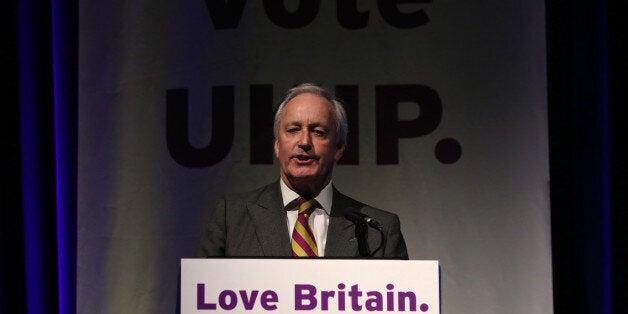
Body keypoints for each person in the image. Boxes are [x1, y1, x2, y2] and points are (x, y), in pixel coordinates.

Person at [195, 83, 408, 259]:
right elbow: (198, 300)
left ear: (339, 148)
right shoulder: (231, 217)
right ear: (277, 145)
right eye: (293, 130)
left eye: (318, 131)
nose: (304, 142)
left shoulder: (379, 230)